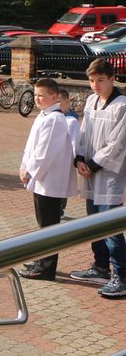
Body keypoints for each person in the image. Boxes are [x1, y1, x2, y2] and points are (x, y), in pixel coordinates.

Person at [69, 59, 126, 298]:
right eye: (92, 80)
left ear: (112, 79)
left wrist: (92, 164)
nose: (95, 85)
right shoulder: (91, 101)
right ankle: (100, 267)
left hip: (110, 173)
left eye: (100, 80)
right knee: (94, 224)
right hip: (90, 172)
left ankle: (121, 276)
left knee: (110, 226)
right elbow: (83, 133)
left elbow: (117, 143)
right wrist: (79, 158)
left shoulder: (122, 105)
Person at [18, 78, 78, 281]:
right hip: (41, 179)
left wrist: (30, 172)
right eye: (35, 95)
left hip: (49, 180)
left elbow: (44, 153)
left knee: (49, 225)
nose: (37, 99)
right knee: (43, 223)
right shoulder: (43, 115)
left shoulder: (55, 119)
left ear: (54, 97)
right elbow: (31, 146)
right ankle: (41, 261)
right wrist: (24, 165)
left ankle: (47, 268)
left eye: (41, 95)